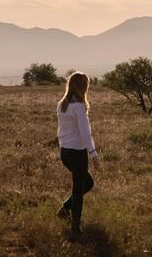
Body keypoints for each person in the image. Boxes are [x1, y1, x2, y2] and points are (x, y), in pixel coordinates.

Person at [56, 72, 100, 238]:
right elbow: (85, 133)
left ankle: (65, 208)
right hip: (77, 152)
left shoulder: (62, 104)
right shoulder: (79, 106)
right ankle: (75, 228)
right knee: (79, 188)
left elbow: (61, 130)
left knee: (87, 183)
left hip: (65, 151)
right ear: (83, 86)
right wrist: (94, 154)